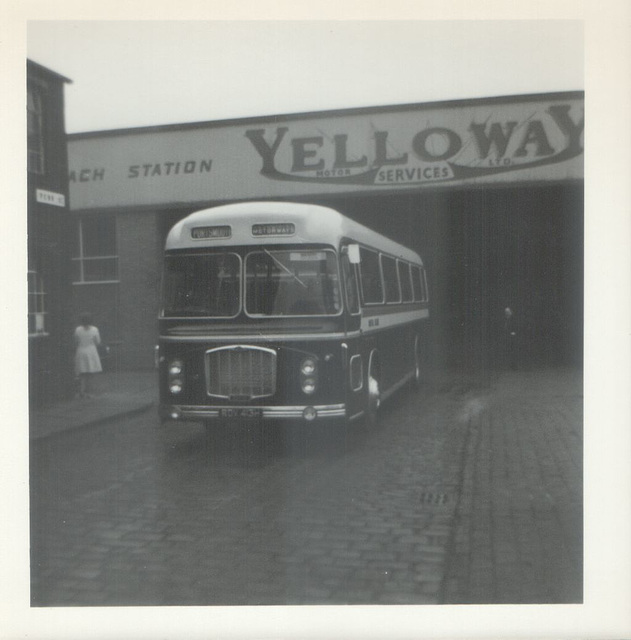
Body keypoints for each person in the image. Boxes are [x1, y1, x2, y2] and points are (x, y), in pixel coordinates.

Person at [74, 313, 102, 398]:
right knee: (90, 373)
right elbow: (98, 341)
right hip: (91, 351)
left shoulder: (78, 329)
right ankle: (89, 392)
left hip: (81, 350)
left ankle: (82, 391)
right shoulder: (94, 329)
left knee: (82, 372)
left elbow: (76, 340)